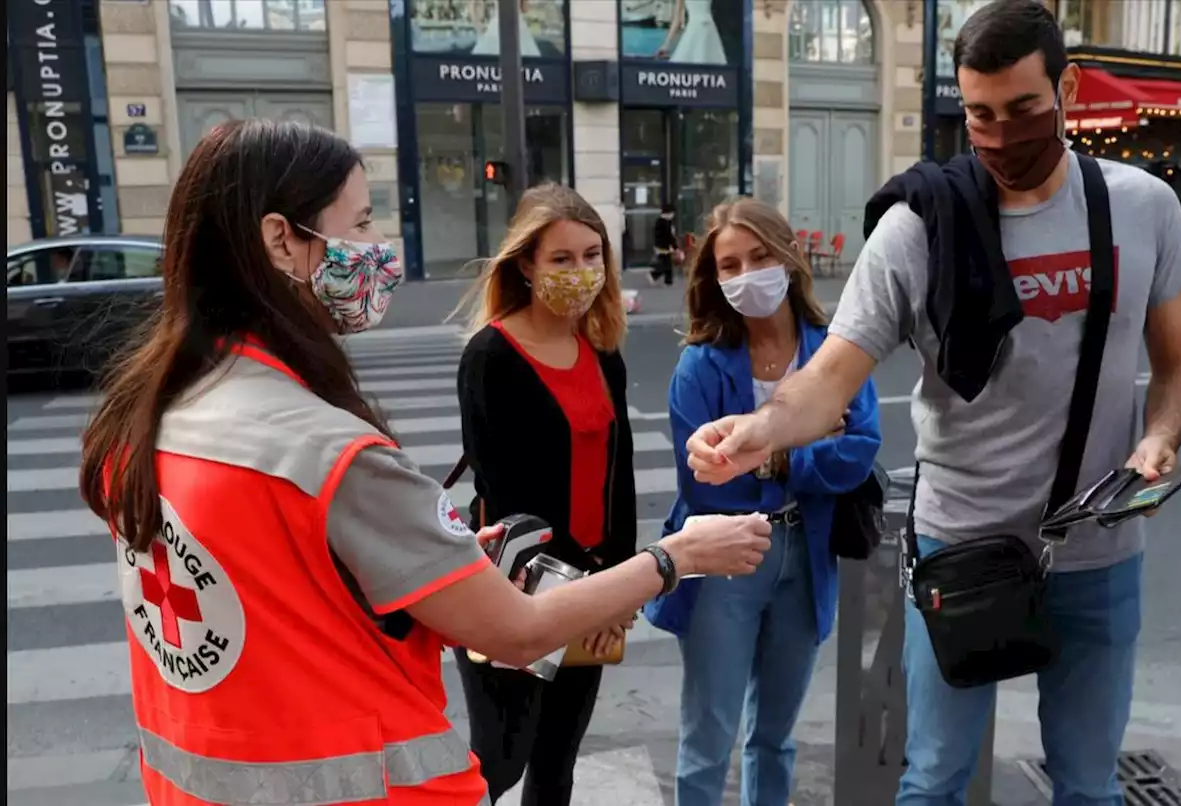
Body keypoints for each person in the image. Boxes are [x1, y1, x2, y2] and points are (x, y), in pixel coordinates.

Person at [78, 120, 773, 806]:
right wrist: (674, 557)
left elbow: (282, 595)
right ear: (282, 241)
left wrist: (431, 560)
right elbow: (514, 628)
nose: (380, 248)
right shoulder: (328, 450)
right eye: (361, 223)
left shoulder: (152, 417)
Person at [682, 2, 1181, 803]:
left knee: (1089, 783)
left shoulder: (1142, 207)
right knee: (932, 778)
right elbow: (830, 380)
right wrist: (759, 429)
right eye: (980, 116)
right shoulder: (919, 228)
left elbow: (1180, 368)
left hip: (1097, 552)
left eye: (1024, 109)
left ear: (1066, 88)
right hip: (961, 548)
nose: (1000, 136)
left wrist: (1160, 439)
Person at [646, 198, 881, 806]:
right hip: (724, 556)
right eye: (729, 265)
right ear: (713, 278)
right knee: (709, 737)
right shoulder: (699, 367)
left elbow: (860, 451)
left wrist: (773, 455)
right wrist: (806, 447)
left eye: (759, 257)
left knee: (774, 736)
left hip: (806, 552)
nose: (746, 274)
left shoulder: (833, 354)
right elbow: (707, 479)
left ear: (788, 258)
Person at [450, 182, 640, 805]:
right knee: (500, 763)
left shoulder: (602, 350)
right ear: (526, 265)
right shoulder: (491, 356)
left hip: (590, 587)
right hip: (514, 595)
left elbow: (622, 475)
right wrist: (574, 594)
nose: (581, 272)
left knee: (557, 766)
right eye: (562, 259)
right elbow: (503, 495)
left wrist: (620, 587)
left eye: (592, 255)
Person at [651, 203, 679, 286]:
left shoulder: (663, 222)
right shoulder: (664, 223)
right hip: (663, 247)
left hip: (662, 246)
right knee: (666, 264)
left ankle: (668, 281)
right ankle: (654, 274)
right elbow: (669, 236)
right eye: (672, 213)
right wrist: (674, 246)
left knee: (667, 263)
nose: (673, 215)